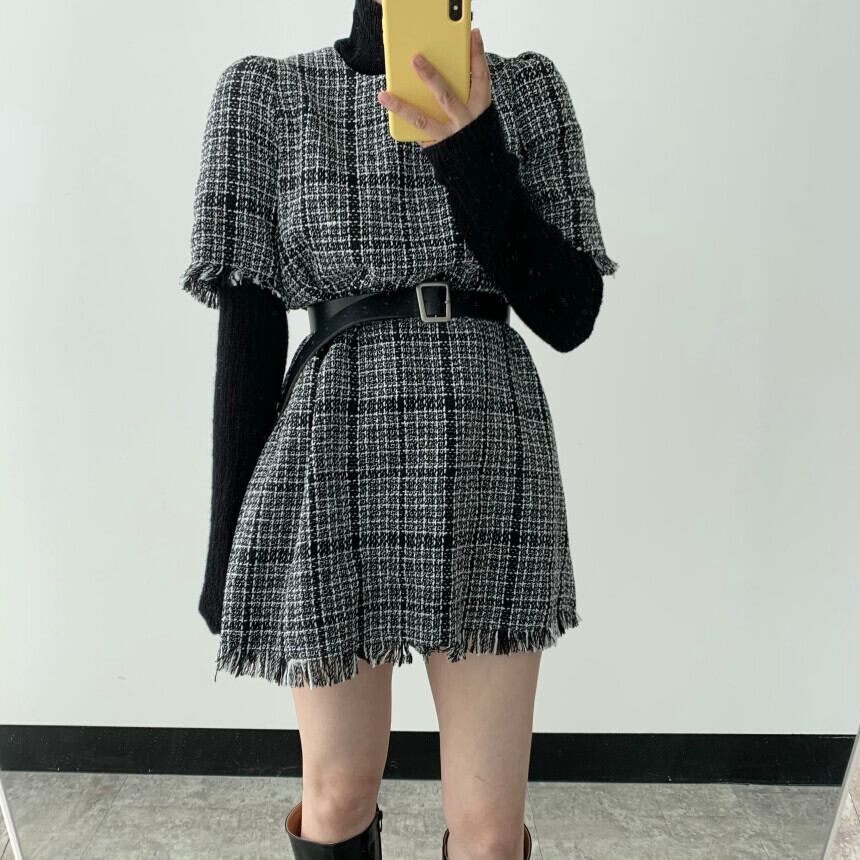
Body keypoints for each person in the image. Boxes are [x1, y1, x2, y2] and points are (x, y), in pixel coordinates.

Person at [179, 1, 618, 857]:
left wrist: (470, 145)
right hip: (333, 446)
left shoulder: (529, 91)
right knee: (338, 792)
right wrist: (228, 549)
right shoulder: (266, 95)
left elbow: (570, 313)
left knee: (489, 829)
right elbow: (249, 341)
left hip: (490, 448)